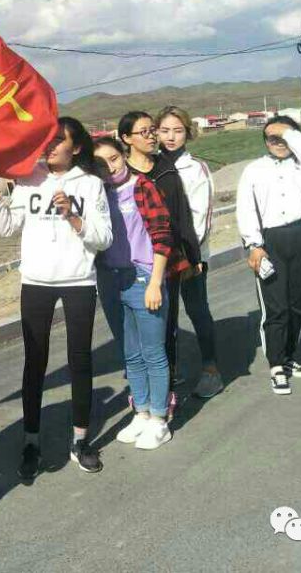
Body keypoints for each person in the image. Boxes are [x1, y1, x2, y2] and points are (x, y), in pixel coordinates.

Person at [0, 117, 113, 479]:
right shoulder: (28, 177)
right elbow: (7, 226)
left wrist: (73, 215)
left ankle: (80, 441)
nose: (50, 146)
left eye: (58, 141)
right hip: (36, 282)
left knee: (79, 361)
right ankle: (31, 441)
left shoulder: (91, 184)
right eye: (46, 140)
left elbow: (103, 238)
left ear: (77, 147)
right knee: (34, 363)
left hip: (78, 282)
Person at [93, 137, 175, 450]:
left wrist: (156, 281)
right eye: (101, 164)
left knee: (153, 352)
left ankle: (159, 418)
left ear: (125, 155)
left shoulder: (142, 187)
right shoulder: (97, 194)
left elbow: (162, 236)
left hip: (143, 278)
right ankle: (140, 412)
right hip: (112, 280)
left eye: (114, 158)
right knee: (130, 353)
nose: (110, 167)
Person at [236, 115, 301, 395]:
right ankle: (276, 365)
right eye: (272, 138)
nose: (279, 142)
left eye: (285, 137)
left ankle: (290, 356)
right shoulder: (254, 170)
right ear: (264, 141)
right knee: (276, 307)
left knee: (297, 303)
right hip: (269, 240)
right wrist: (254, 245)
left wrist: (287, 131)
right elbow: (246, 209)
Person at [119, 110, 201, 397]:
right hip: (128, 266)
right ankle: (140, 387)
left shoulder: (166, 169)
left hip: (166, 262)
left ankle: (166, 387)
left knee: (166, 325)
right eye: (144, 132)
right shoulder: (122, 176)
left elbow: (181, 216)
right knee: (131, 331)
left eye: (152, 130)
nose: (152, 136)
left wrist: (192, 255)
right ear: (126, 139)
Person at [155, 106, 224, 398]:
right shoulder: (151, 165)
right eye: (165, 130)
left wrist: (192, 257)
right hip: (160, 258)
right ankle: (169, 372)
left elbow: (200, 217)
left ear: (188, 132)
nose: (171, 137)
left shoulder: (196, 169)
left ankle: (211, 370)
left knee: (197, 310)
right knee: (164, 318)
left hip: (189, 256)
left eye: (178, 130)